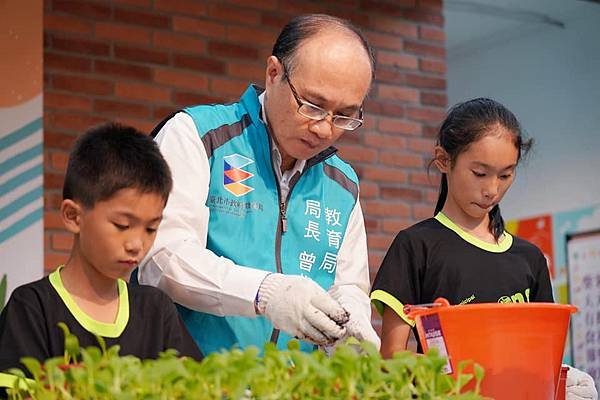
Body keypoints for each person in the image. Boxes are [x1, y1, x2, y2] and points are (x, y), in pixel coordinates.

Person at [137, 14, 380, 355]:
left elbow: (347, 283)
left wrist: (351, 314)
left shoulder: (341, 183)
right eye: (313, 106)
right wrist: (264, 292)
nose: (325, 129)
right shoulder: (198, 136)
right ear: (274, 73)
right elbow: (162, 258)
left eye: (344, 116)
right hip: (195, 377)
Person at [370, 98, 597, 400]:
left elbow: (545, 357)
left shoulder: (529, 259)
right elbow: (391, 357)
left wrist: (560, 380)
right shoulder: (416, 246)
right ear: (443, 160)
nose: (492, 189)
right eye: (479, 173)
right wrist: (454, 376)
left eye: (506, 175)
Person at [0, 123, 203, 385]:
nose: (136, 244)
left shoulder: (156, 310)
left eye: (151, 228)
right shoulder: (31, 308)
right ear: (73, 216)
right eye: (122, 225)